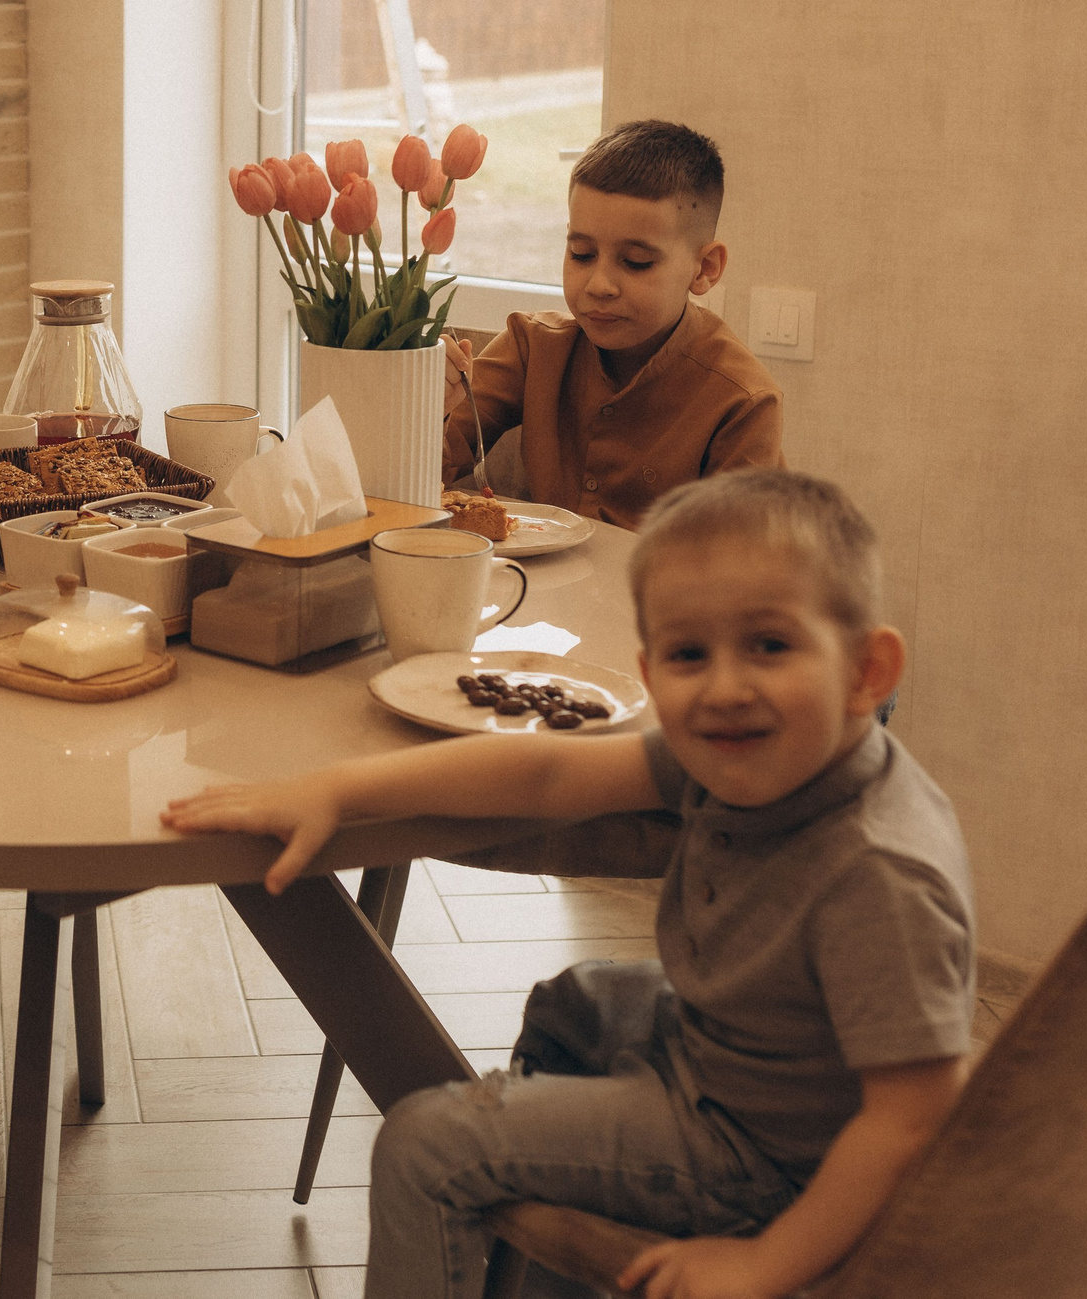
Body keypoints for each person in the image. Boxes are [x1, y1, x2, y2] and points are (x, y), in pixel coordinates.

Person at [165, 469, 974, 1299]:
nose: (727, 686)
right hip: (726, 1051)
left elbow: (912, 1118)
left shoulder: (878, 873)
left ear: (869, 671)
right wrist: (338, 789)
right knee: (572, 1006)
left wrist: (762, 1264)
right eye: (691, 654)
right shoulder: (748, 756)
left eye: (770, 645)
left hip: (765, 1155)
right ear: (652, 673)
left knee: (424, 1147)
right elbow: (548, 772)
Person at [442, 120, 782, 530]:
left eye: (636, 262)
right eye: (581, 254)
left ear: (705, 269)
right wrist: (429, 406)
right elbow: (406, 483)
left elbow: (741, 567)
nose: (599, 285)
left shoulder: (742, 402)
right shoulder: (533, 347)